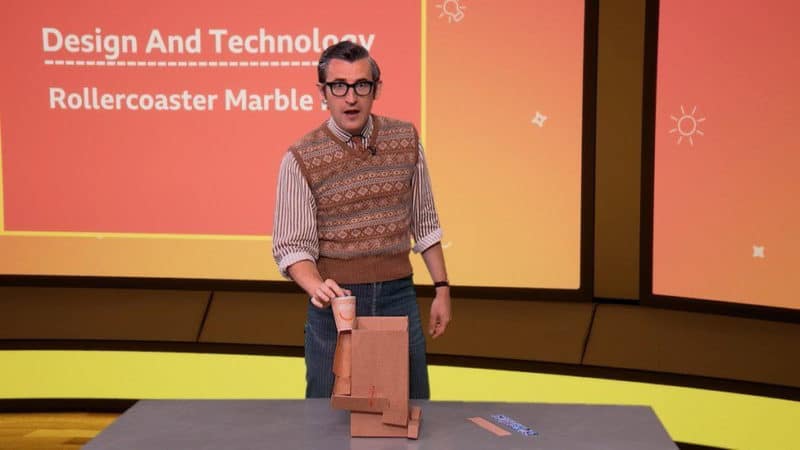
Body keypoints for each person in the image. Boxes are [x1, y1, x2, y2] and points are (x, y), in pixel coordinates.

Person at [272, 41, 451, 399]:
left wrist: (442, 289)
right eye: (338, 86)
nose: (350, 97)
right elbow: (291, 245)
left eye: (361, 85)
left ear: (376, 89)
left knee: (408, 408)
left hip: (398, 296)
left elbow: (425, 222)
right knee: (326, 414)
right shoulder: (300, 157)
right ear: (323, 92)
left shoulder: (406, 139)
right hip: (335, 302)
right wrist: (315, 286)